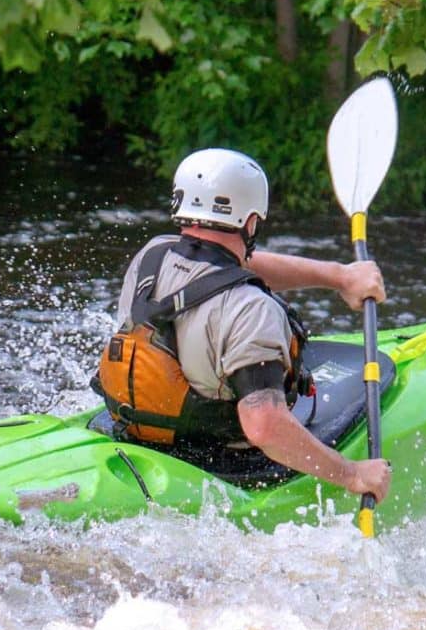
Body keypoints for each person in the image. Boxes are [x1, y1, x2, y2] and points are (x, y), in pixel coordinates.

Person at [96, 147, 392, 503]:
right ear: (251, 222)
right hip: (219, 460)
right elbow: (264, 427)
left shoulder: (153, 256)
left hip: (139, 431)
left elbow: (228, 268)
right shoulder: (254, 310)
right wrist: (353, 474)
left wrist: (339, 276)